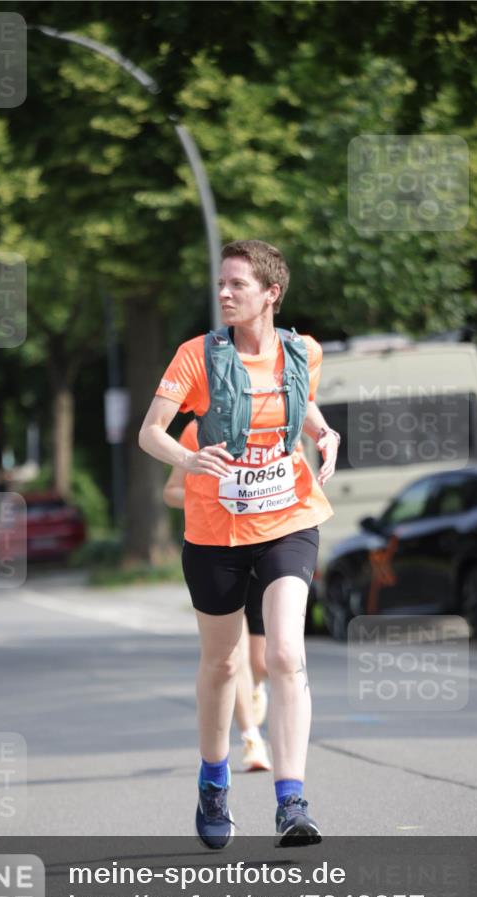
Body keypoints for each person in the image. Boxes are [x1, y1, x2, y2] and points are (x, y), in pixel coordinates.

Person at [139, 239, 339, 848]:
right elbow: (151, 433)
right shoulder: (196, 356)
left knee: (282, 652)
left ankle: (292, 800)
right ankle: (213, 779)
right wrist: (189, 457)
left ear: (270, 294)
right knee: (223, 662)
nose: (224, 293)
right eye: (221, 284)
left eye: (237, 285)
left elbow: (297, 402)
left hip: (289, 515)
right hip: (214, 529)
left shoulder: (303, 350)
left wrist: (325, 431)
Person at [164, 419, 271, 773]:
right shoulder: (196, 431)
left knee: (262, 662)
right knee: (232, 655)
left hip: (265, 542)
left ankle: (256, 690)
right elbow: (171, 491)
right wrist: (208, 487)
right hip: (219, 547)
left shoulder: (272, 419)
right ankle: (252, 738)